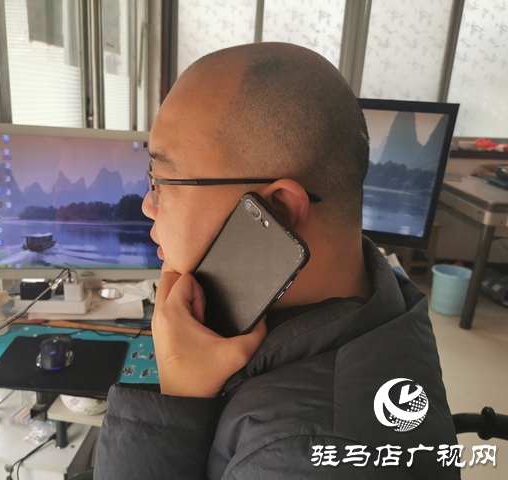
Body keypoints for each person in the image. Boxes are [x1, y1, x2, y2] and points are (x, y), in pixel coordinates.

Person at [94, 43, 460, 479]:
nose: (147, 206)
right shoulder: (380, 296)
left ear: (278, 210)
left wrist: (176, 401)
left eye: (162, 181)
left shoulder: (303, 457)